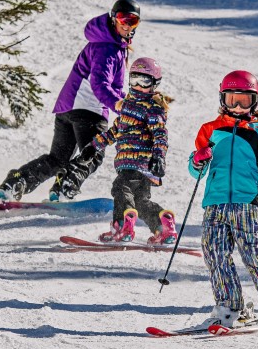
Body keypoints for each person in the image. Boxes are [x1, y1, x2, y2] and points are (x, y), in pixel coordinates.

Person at [0, 0, 140, 202]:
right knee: (93, 154)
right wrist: (118, 105)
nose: (126, 24)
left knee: (57, 159)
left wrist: (130, 104)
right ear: (113, 18)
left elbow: (112, 87)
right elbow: (99, 84)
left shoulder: (108, 44)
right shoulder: (108, 48)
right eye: (122, 18)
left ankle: (16, 183)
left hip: (68, 107)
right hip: (88, 111)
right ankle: (65, 185)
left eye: (132, 21)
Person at [187, 70, 258, 327]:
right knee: (214, 252)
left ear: (255, 101)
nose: (237, 106)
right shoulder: (210, 130)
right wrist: (198, 159)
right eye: (231, 99)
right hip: (214, 203)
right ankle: (230, 306)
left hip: (245, 202)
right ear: (222, 99)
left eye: (244, 100)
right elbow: (195, 170)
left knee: (253, 252)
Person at [60, 57, 177, 244]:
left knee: (120, 189)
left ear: (154, 84)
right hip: (137, 167)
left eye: (144, 81)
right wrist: (93, 146)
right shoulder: (128, 105)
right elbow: (115, 131)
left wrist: (159, 157)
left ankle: (122, 227)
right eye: (134, 80)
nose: (138, 86)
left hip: (137, 162)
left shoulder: (153, 108)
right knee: (141, 202)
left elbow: (160, 135)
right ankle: (163, 225)